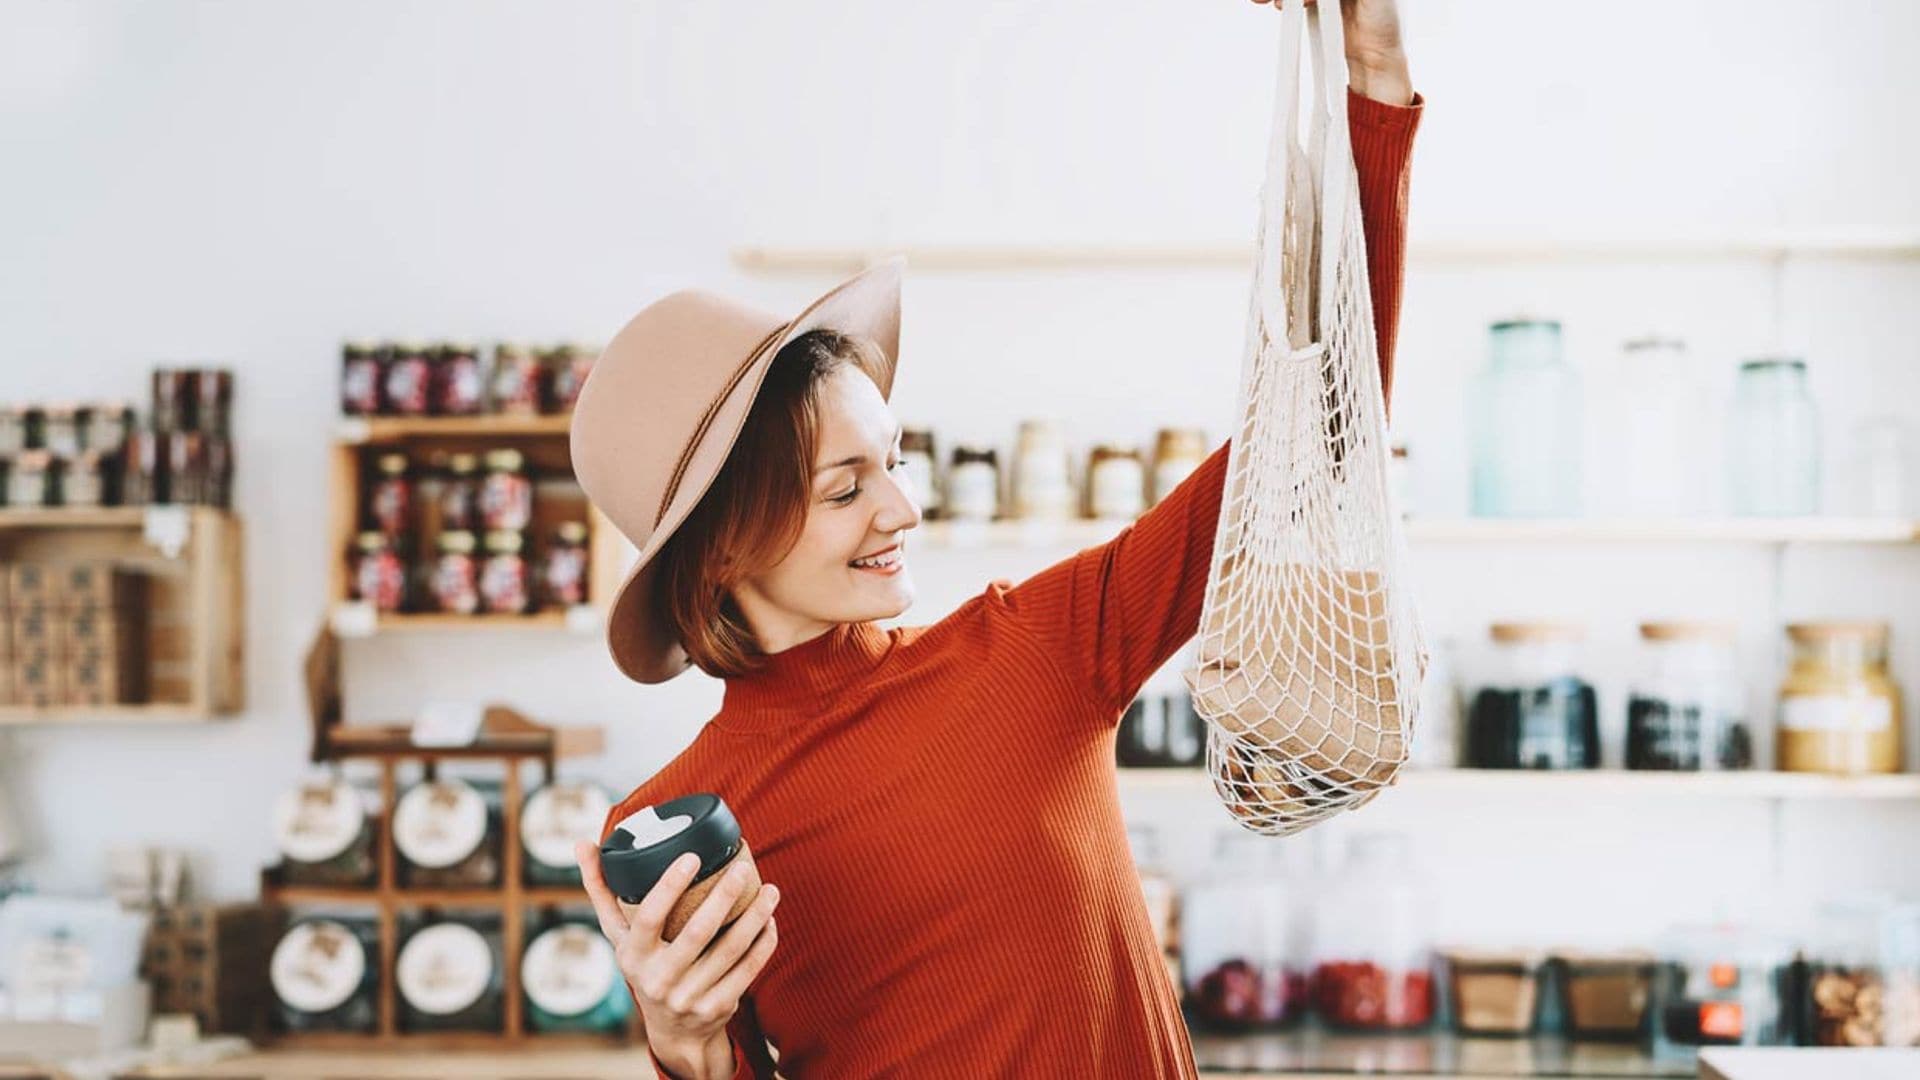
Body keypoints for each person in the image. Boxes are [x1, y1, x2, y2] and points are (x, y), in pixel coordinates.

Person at [568, 2, 1421, 1075]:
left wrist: (1373, 83)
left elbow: (1316, 424)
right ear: (722, 548)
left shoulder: (1036, 652)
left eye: (894, 460)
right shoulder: (672, 827)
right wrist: (683, 1042)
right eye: (845, 490)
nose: (902, 509)